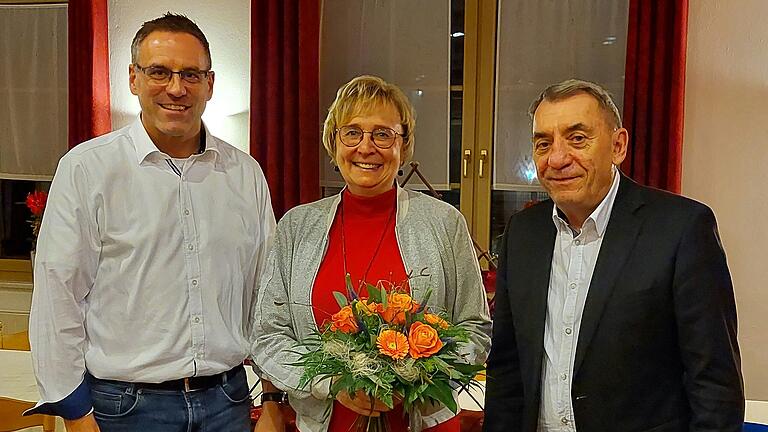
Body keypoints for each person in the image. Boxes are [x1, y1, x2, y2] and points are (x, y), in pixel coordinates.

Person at [26, 13, 275, 432]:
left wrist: (272, 396)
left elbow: (267, 294)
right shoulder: (88, 169)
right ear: (133, 78)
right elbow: (58, 297)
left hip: (229, 401)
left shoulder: (244, 174)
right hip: (124, 409)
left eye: (191, 75)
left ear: (210, 84)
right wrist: (75, 412)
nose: (176, 88)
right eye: (159, 71)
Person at [483, 79, 744, 432]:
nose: (557, 159)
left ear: (618, 145)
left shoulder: (681, 229)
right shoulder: (523, 234)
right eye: (543, 143)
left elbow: (714, 383)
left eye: (577, 139)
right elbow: (507, 370)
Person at [252, 75, 492, 432]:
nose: (366, 147)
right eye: (352, 132)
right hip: (325, 424)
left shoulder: (444, 222)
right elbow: (267, 336)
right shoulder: (297, 227)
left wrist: (415, 377)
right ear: (334, 143)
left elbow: (476, 329)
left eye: (383, 134)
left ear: (403, 145)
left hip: (425, 425)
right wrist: (332, 383)